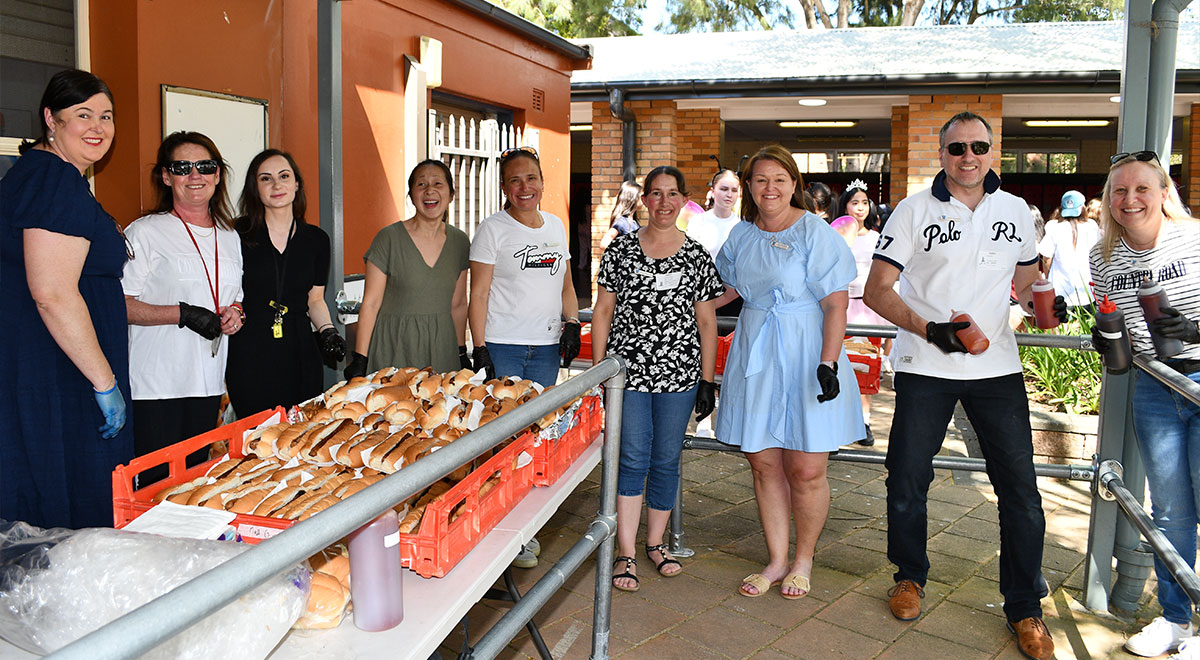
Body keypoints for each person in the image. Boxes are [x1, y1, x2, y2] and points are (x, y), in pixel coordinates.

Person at [863, 112, 1061, 660]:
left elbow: (1022, 281)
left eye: (978, 146)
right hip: (926, 364)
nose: (967, 157)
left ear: (992, 150)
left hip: (997, 369)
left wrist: (1041, 298)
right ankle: (908, 576)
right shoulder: (912, 209)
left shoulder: (1016, 211)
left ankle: (1024, 606)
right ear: (942, 152)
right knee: (905, 476)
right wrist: (929, 329)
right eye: (956, 149)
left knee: (1020, 491)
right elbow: (879, 289)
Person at [715, 145, 863, 600]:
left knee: (805, 466)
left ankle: (804, 559)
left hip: (807, 351)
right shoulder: (740, 236)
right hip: (757, 348)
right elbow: (719, 291)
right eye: (760, 180)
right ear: (749, 188)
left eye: (779, 178)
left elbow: (836, 303)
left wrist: (829, 361)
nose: (770, 188)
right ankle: (777, 559)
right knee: (762, 460)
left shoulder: (814, 232)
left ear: (794, 182)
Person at [0, 69, 133, 529]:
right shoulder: (56, 182)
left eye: (107, 116)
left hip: (48, 366)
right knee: (66, 506)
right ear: (50, 119)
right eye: (83, 114)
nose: (98, 126)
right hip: (62, 377)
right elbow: (53, 294)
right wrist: (104, 384)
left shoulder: (39, 176)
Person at [1088, 151, 1200, 660]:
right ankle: (1177, 620)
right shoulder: (1102, 256)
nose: (1129, 200)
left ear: (1163, 193)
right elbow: (1117, 327)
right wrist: (1108, 337)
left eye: (1141, 189)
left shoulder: (1194, 239)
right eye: (1119, 191)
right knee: (1170, 510)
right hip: (1155, 386)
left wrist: (1197, 331)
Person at [591, 166, 722, 592]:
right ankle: (624, 551)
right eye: (655, 194)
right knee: (630, 459)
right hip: (627, 377)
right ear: (644, 200)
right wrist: (599, 374)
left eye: (672, 194)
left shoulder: (697, 255)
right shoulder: (620, 251)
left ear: (684, 199)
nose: (664, 203)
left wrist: (707, 380)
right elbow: (603, 312)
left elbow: (706, 321)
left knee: (666, 460)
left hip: (680, 378)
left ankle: (655, 543)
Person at [123, 131, 244, 483]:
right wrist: (181, 314)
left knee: (193, 484)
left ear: (218, 174)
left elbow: (235, 295)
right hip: (156, 386)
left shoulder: (229, 235)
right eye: (182, 167)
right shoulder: (145, 232)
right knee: (155, 486)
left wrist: (235, 312)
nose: (195, 175)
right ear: (166, 176)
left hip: (207, 383)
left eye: (205, 166)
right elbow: (120, 304)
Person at [226, 149, 344, 418]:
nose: (277, 185)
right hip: (250, 349)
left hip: (300, 347)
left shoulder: (317, 239)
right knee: (255, 437)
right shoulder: (236, 233)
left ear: (296, 184)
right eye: (266, 179)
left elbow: (315, 299)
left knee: (300, 433)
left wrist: (328, 331)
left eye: (284, 176)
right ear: (255, 189)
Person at [345, 159, 469, 378]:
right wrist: (360, 358)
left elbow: (458, 304)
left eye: (438, 184)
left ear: (451, 194)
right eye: (421, 184)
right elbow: (371, 304)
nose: (430, 190)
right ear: (411, 195)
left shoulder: (460, 242)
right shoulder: (388, 238)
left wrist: (460, 351)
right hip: (395, 345)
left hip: (442, 348)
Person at [468, 147, 580, 386]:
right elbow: (478, 294)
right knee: (504, 419)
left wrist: (572, 322)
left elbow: (566, 288)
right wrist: (479, 348)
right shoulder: (491, 229)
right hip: (503, 346)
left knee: (540, 421)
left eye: (531, 178)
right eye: (514, 181)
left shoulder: (556, 225)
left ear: (542, 182)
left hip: (547, 348)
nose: (524, 188)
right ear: (504, 188)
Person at [834, 179, 886, 447]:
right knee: (839, 365)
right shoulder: (833, 235)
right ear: (844, 205)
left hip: (867, 308)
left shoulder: (877, 238)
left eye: (864, 202)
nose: (860, 207)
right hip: (840, 306)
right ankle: (839, 419)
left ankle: (864, 421)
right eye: (854, 202)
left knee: (865, 366)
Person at [687, 169, 744, 322]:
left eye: (734, 190)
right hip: (701, 293)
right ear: (712, 191)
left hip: (733, 298)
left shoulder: (743, 226)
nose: (729, 194)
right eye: (724, 189)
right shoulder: (697, 222)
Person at [1038, 190, 1100, 315]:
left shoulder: (1053, 226)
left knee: (1062, 331)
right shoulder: (1092, 226)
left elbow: (1046, 257)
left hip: (1060, 292)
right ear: (1083, 208)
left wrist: (1050, 277)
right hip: (1088, 291)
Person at [599, 181, 641, 249]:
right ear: (633, 198)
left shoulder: (633, 222)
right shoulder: (622, 223)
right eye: (640, 196)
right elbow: (604, 244)